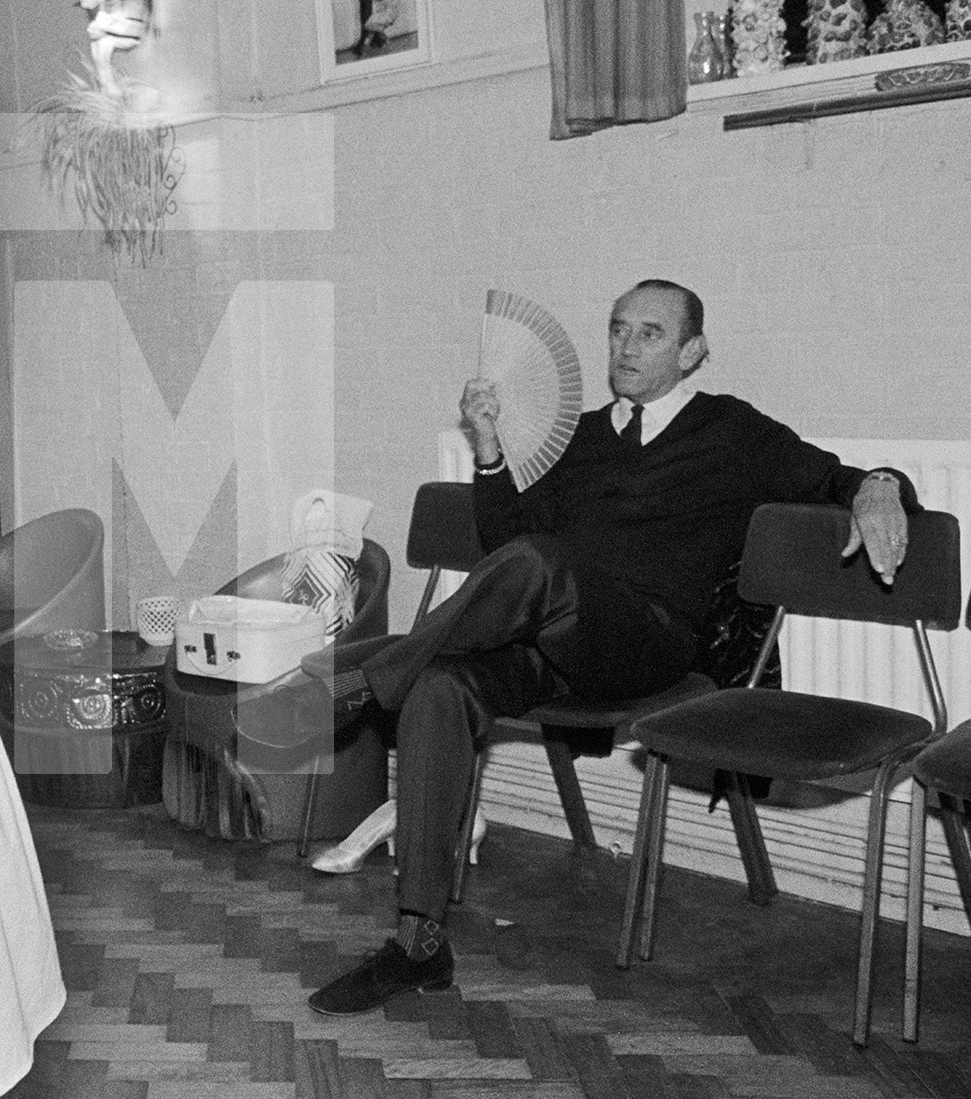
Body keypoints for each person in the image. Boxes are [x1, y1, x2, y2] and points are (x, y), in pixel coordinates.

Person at [234, 279, 916, 1014]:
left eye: (649, 333)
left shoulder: (734, 432)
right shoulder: (584, 436)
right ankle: (418, 945)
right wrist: (491, 453)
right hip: (557, 641)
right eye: (618, 329)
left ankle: (361, 685)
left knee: (541, 565)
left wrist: (880, 487)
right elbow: (505, 551)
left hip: (652, 646)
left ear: (693, 351)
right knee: (441, 686)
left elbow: (838, 477)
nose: (626, 346)